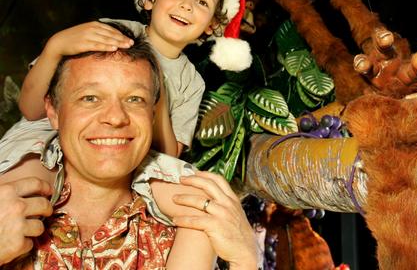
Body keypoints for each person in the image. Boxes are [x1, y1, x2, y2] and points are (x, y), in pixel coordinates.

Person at [0, 0, 252, 226]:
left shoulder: (191, 82)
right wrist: (56, 46)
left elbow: (168, 155)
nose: (186, 6)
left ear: (211, 25)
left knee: (193, 203)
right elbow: (32, 110)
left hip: (132, 153)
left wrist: (157, 95)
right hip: (53, 133)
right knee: (26, 182)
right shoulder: (108, 32)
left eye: (202, 2)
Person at [0, 34, 259, 268]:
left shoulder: (184, 232)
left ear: (152, 115)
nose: (115, 117)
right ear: (53, 112)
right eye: (90, 98)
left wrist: (244, 261)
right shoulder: (10, 211)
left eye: (135, 99)